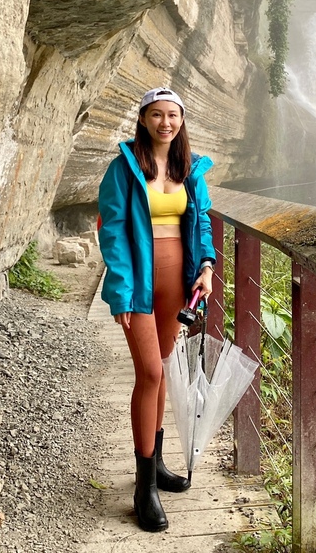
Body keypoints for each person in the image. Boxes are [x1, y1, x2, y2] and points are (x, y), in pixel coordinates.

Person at [96, 86, 216, 532]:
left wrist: (206, 266)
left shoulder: (191, 168)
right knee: (150, 372)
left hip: (177, 283)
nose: (166, 122)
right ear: (143, 119)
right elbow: (112, 230)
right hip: (142, 286)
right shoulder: (124, 167)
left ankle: (158, 463)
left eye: (174, 115)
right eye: (157, 115)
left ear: (181, 121)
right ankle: (143, 487)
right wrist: (123, 290)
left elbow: (201, 220)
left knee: (164, 367)